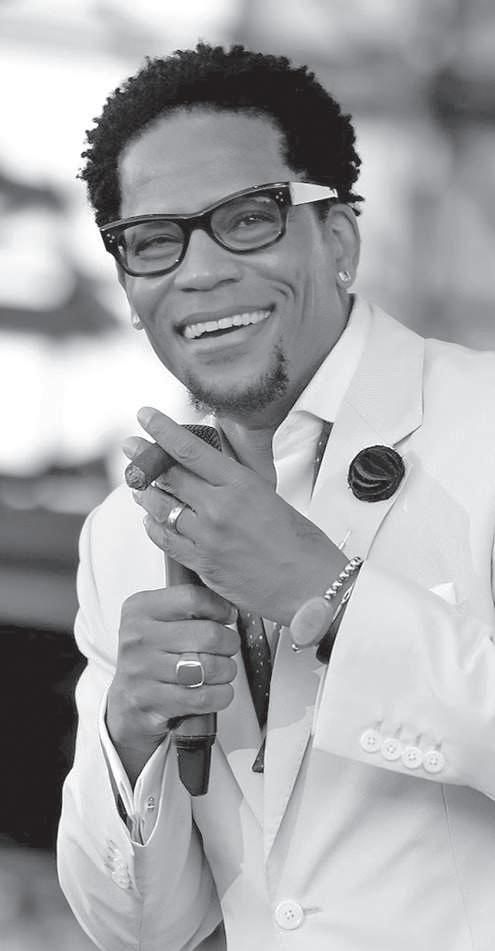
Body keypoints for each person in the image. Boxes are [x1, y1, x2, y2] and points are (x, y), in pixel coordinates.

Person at [57, 43, 495, 951]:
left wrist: (330, 600)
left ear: (338, 239)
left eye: (248, 219)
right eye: (154, 240)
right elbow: (142, 931)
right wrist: (128, 732)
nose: (201, 270)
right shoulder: (123, 533)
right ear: (129, 286)